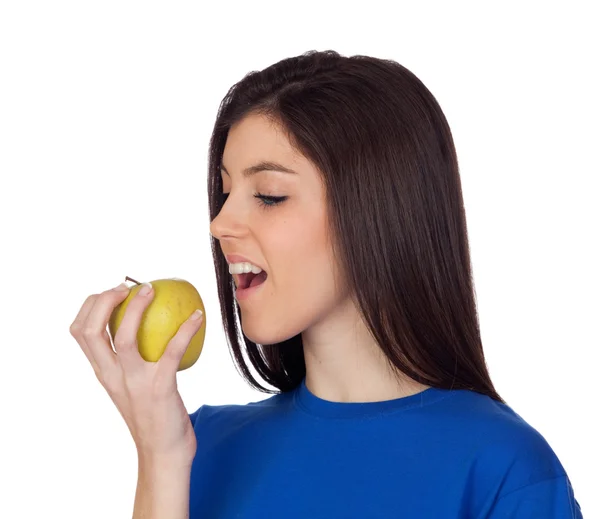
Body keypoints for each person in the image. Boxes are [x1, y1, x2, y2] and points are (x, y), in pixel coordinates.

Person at [70, 50, 584, 518]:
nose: (220, 223)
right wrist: (160, 459)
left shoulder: (506, 471)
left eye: (269, 195)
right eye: (225, 193)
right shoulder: (197, 447)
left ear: (378, 212)